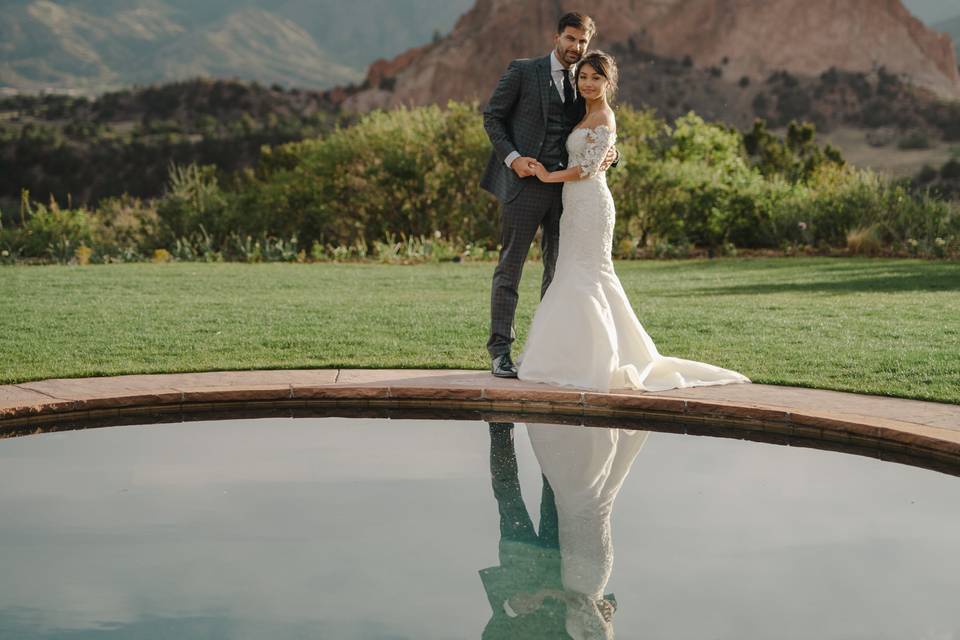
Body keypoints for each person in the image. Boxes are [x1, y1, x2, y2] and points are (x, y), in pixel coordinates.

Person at [518, 51, 750, 392]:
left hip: (592, 203)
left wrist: (547, 176)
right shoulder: (584, 114)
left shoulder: (605, 118)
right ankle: (567, 357)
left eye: (595, 78)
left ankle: (603, 360)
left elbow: (589, 168)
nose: (587, 84)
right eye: (583, 77)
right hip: (574, 205)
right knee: (570, 272)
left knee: (591, 275)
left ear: (608, 82)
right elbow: (593, 156)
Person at [481, 12, 616, 379]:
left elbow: (597, 132)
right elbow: (492, 117)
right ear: (557, 37)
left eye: (582, 42)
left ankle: (546, 351)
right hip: (523, 188)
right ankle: (500, 352)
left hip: (567, 196)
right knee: (510, 269)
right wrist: (513, 159)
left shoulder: (584, 82)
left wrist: (612, 154)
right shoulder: (524, 72)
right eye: (570, 39)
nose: (576, 47)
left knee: (558, 275)